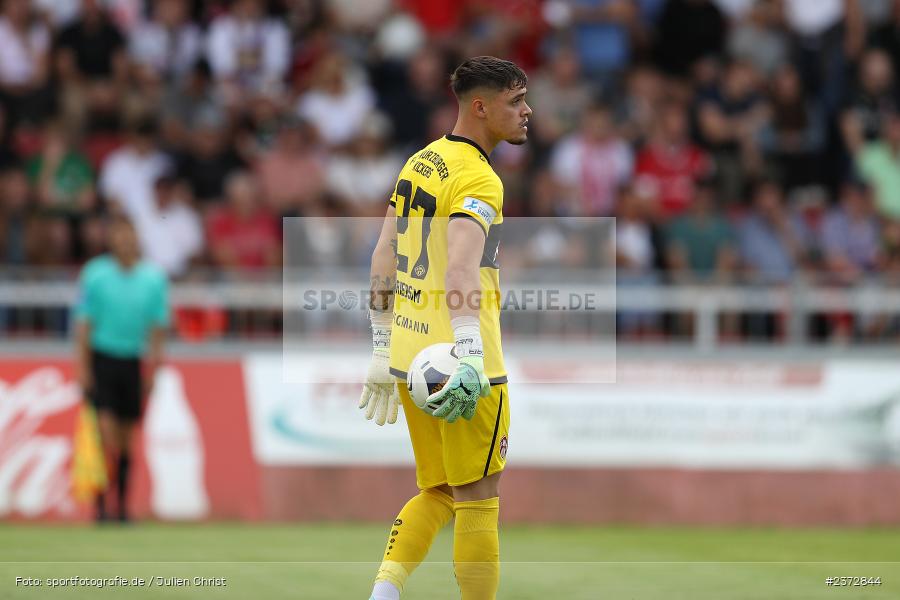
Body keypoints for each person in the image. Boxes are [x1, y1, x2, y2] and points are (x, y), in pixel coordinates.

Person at [359, 56, 531, 600]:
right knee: (479, 498)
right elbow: (460, 269)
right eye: (516, 101)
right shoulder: (479, 177)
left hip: (411, 359)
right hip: (463, 365)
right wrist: (470, 353)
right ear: (480, 106)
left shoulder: (421, 161)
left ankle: (384, 592)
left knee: (437, 490)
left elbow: (383, 254)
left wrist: (381, 345)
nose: (528, 112)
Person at [74, 216, 169, 522]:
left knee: (127, 438)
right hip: (103, 359)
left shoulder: (153, 279)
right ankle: (101, 506)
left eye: (129, 235)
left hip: (132, 361)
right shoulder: (95, 275)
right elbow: (84, 324)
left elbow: (157, 329)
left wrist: (154, 369)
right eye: (118, 235)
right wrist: (83, 367)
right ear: (111, 239)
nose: (124, 241)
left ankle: (123, 507)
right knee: (104, 433)